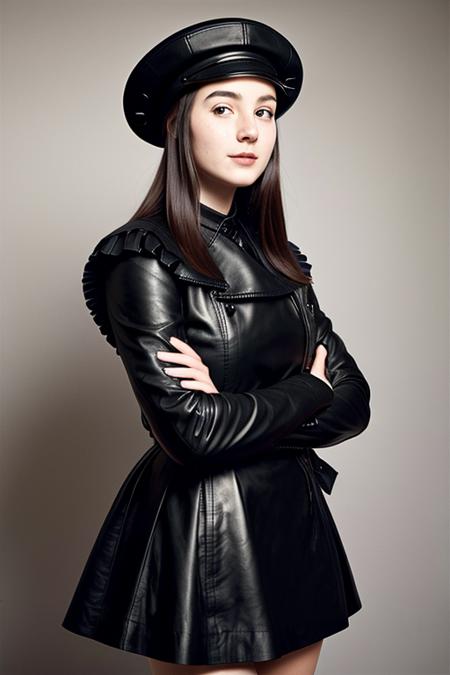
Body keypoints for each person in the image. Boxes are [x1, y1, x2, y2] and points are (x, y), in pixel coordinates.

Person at [61, 17, 371, 675]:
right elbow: (192, 435)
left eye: (265, 109)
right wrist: (307, 391)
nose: (251, 128)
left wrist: (238, 409)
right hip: (207, 529)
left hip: (293, 521)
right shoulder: (140, 260)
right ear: (177, 124)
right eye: (223, 107)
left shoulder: (283, 260)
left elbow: (354, 402)